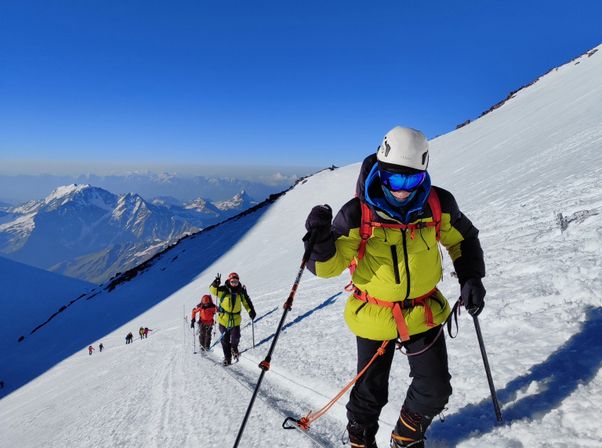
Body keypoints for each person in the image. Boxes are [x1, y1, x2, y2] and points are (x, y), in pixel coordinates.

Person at [304, 126, 485, 448]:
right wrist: (319, 241)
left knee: (435, 388)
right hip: (374, 313)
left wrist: (471, 277)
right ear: (380, 169)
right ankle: (361, 440)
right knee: (370, 392)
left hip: (423, 311)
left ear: (423, 173)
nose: (401, 190)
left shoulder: (438, 204)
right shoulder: (356, 213)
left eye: (410, 181)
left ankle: (406, 438)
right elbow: (327, 268)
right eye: (393, 180)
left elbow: (463, 239)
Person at [209, 272, 256, 366]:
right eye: (232, 282)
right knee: (225, 340)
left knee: (236, 337)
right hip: (223, 320)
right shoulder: (223, 289)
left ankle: (234, 348)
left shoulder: (240, 291)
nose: (234, 284)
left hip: (235, 319)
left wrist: (251, 311)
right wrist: (215, 283)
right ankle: (227, 358)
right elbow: (213, 290)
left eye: (236, 282)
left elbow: (246, 302)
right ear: (229, 281)